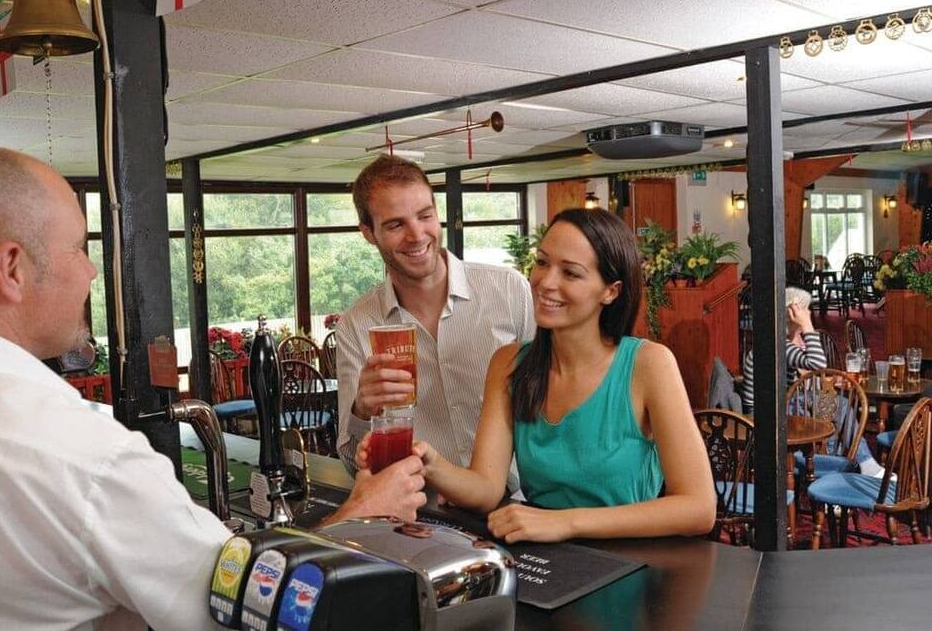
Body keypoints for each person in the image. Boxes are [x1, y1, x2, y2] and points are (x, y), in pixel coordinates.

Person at [0, 146, 425, 630]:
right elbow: (239, 610)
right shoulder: (80, 456)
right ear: (12, 269)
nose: (89, 271)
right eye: (79, 247)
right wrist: (361, 514)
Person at [359, 208, 717, 543]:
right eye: (542, 263)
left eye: (571, 272)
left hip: (631, 564)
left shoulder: (649, 364)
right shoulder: (510, 363)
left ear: (611, 291)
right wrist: (429, 461)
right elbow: (486, 488)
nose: (546, 281)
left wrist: (566, 522)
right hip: (547, 557)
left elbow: (699, 508)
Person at [336, 155, 535, 482]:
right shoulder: (356, 325)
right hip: (423, 514)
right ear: (368, 233)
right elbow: (351, 463)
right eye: (395, 224)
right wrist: (361, 411)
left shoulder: (509, 290)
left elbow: (553, 400)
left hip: (518, 503)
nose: (416, 235)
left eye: (424, 216)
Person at [740, 286, 882, 477]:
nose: (808, 313)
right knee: (833, 403)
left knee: (824, 403)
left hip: (776, 409)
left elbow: (801, 381)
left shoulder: (777, 343)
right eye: (804, 311)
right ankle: (850, 464)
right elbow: (818, 364)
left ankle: (838, 464)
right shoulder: (779, 346)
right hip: (765, 418)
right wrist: (807, 326)